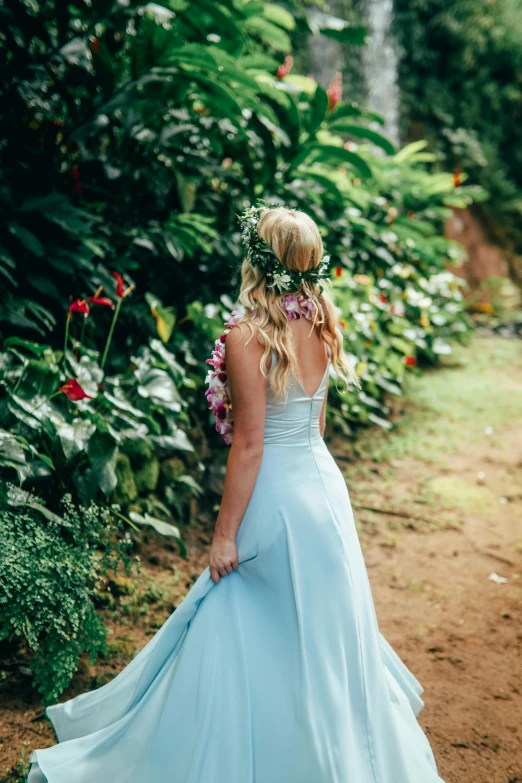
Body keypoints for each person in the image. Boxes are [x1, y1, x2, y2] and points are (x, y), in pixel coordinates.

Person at [28, 205, 445, 783]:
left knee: (242, 618)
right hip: (323, 492)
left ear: (258, 260)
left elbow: (249, 445)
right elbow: (315, 426)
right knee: (319, 632)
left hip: (276, 493)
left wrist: (224, 536)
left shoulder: (246, 335)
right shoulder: (324, 319)